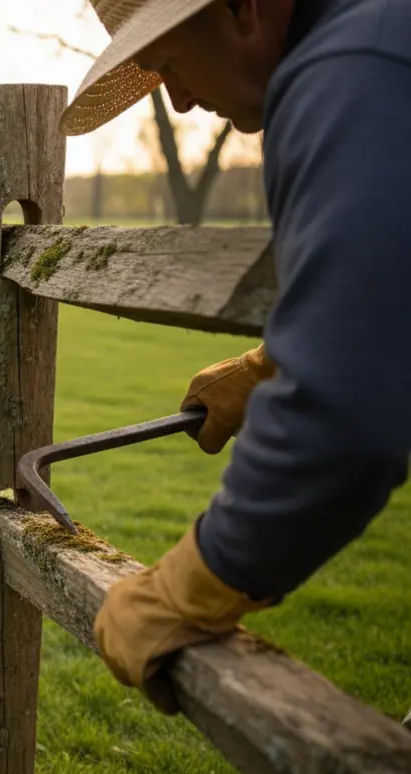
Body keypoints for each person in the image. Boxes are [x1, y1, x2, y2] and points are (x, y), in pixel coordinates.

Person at [59, 0, 411, 714]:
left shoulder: (347, 73)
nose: (181, 99)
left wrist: (193, 585)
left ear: (245, 8)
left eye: (172, 63)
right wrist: (275, 367)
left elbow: (343, 421)